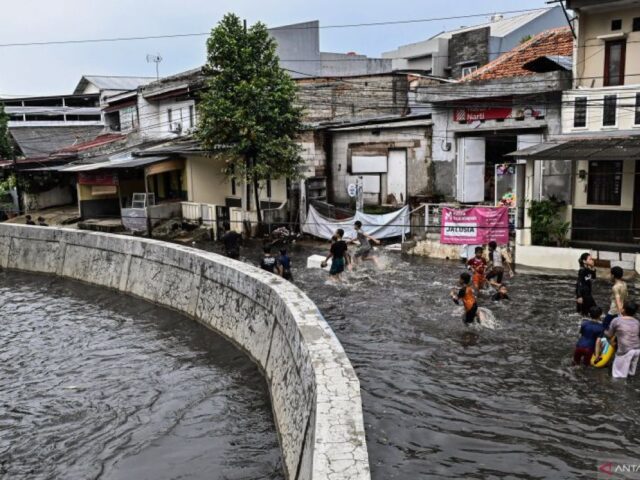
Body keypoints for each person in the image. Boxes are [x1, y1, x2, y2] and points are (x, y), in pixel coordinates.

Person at [605, 300, 640, 379]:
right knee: (630, 375)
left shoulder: (616, 320)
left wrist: (603, 330)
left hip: (625, 350)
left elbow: (609, 335)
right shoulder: (637, 322)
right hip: (637, 350)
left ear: (623, 310)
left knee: (618, 376)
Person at [603, 266, 628, 331]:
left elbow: (617, 300)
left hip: (614, 310)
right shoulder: (624, 284)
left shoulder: (615, 287)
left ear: (613, 275)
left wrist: (621, 313)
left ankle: (603, 340)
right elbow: (626, 296)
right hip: (621, 308)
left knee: (604, 326)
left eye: (610, 274)